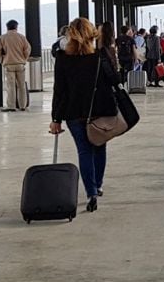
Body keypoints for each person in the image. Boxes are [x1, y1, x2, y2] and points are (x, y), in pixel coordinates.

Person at [50, 17, 120, 213]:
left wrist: (56, 119)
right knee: (99, 146)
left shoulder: (63, 59)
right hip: (100, 112)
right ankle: (97, 185)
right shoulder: (100, 56)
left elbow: (59, 91)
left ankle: (91, 193)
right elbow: (115, 79)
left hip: (74, 113)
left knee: (84, 151)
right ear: (92, 35)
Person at [0, 19, 32, 111]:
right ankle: (22, 105)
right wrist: (24, 59)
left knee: (10, 86)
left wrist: (2, 60)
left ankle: (11, 106)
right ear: (16, 27)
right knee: (21, 85)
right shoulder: (21, 37)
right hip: (20, 64)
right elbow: (27, 49)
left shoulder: (3, 38)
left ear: (7, 27)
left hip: (9, 64)